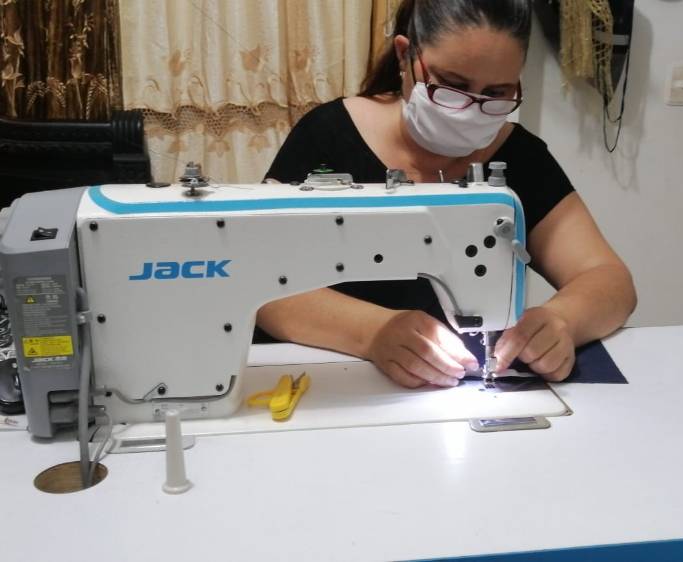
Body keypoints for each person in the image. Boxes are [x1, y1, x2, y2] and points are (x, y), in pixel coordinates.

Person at [256, 0, 636, 388]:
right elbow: (260, 283)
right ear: (406, 56)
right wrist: (372, 332)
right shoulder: (328, 138)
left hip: (449, 381)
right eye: (452, 86)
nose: (470, 110)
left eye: (497, 94)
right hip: (325, 386)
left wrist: (563, 321)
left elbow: (609, 280)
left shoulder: (521, 158)